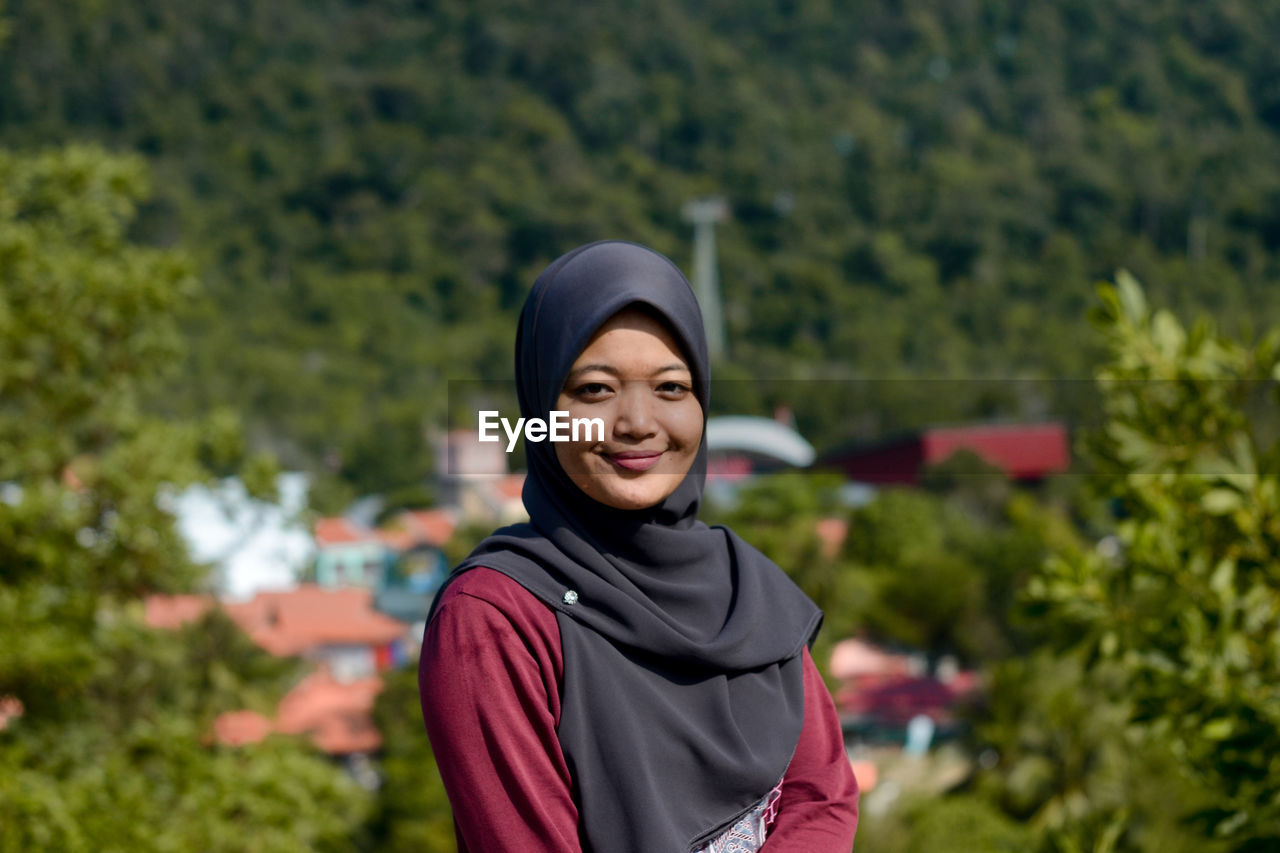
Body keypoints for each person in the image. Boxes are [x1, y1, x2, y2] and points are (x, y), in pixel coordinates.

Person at [419, 240, 859, 853]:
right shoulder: (495, 618)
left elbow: (822, 797)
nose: (637, 423)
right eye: (595, 390)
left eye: (672, 388)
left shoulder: (746, 592)